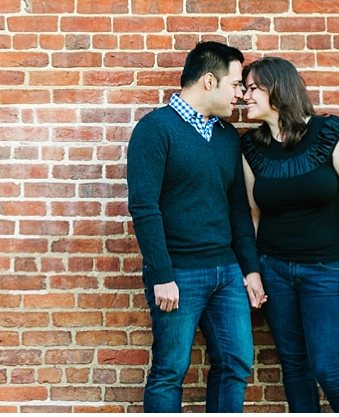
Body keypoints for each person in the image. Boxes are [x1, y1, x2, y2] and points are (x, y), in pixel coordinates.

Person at [127, 41, 267, 413]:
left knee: (235, 363)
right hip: (178, 273)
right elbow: (144, 208)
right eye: (236, 84)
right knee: (171, 370)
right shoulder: (155, 130)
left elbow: (237, 208)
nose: (240, 95)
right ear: (209, 81)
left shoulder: (225, 137)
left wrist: (250, 269)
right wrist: (161, 274)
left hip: (226, 273)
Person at [240, 56, 339, 413]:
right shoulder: (251, 148)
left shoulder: (330, 133)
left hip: (325, 270)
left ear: (278, 90)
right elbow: (253, 213)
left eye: (253, 89)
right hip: (274, 271)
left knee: (327, 368)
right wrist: (252, 270)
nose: (245, 97)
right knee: (294, 368)